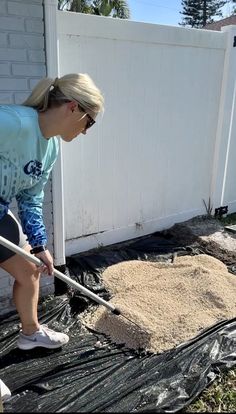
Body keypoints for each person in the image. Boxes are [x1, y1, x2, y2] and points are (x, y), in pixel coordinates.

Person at [0, 73, 104, 350]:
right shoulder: (13, 122)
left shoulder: (52, 146)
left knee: (30, 269)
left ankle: (30, 333)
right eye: (89, 121)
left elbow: (30, 197)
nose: (86, 131)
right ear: (73, 107)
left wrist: (39, 245)